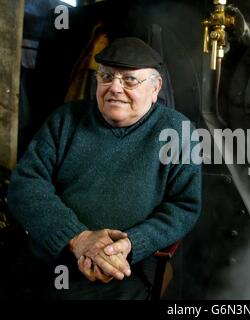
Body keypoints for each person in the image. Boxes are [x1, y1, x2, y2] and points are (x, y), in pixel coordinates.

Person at [7, 37, 202, 299]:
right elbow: (25, 185)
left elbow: (184, 206)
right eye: (106, 77)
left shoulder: (178, 131)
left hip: (124, 268)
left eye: (130, 80)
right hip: (52, 259)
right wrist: (77, 238)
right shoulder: (66, 119)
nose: (115, 88)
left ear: (155, 88)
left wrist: (130, 245)